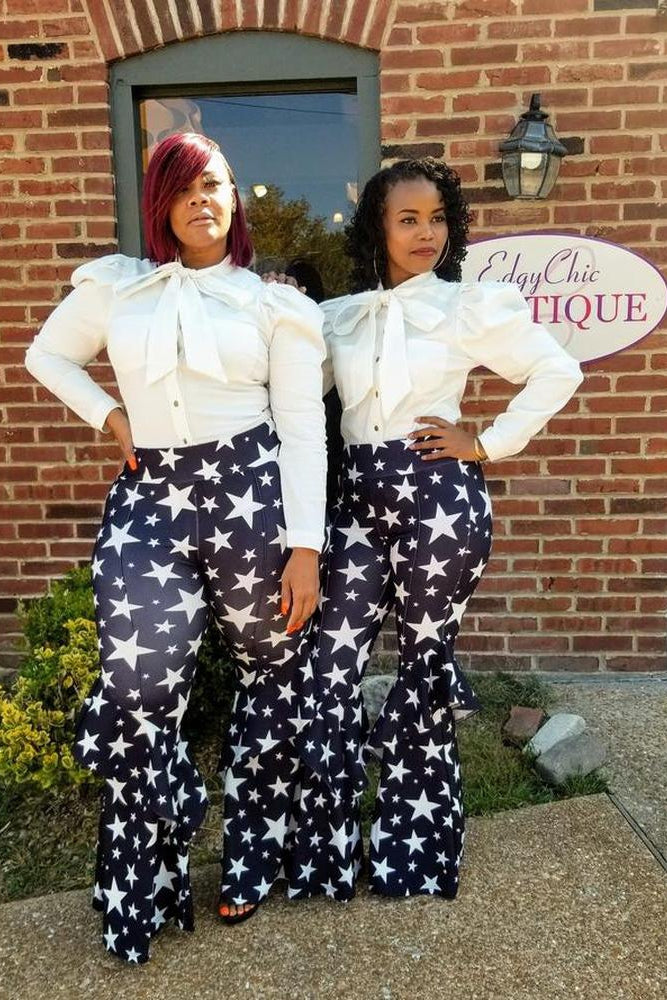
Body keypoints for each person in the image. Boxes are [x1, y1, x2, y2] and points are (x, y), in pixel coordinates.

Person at [24, 132, 327, 962]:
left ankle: (253, 857)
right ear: (160, 201)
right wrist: (109, 416)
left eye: (216, 184)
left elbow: (302, 428)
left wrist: (305, 547)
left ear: (235, 199)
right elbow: (46, 355)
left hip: (251, 498)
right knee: (138, 683)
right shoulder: (118, 289)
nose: (203, 199)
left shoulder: (271, 305)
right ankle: (142, 880)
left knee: (272, 670)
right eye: (185, 186)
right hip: (150, 500)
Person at [295, 158, 584, 902]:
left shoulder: (465, 308)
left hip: (438, 504)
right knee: (330, 667)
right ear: (377, 228)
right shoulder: (341, 316)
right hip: (355, 506)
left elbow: (557, 371)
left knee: (423, 668)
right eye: (407, 219)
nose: (427, 233)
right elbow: (289, 396)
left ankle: (414, 855)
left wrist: (484, 442)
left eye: (437, 218)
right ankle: (323, 856)